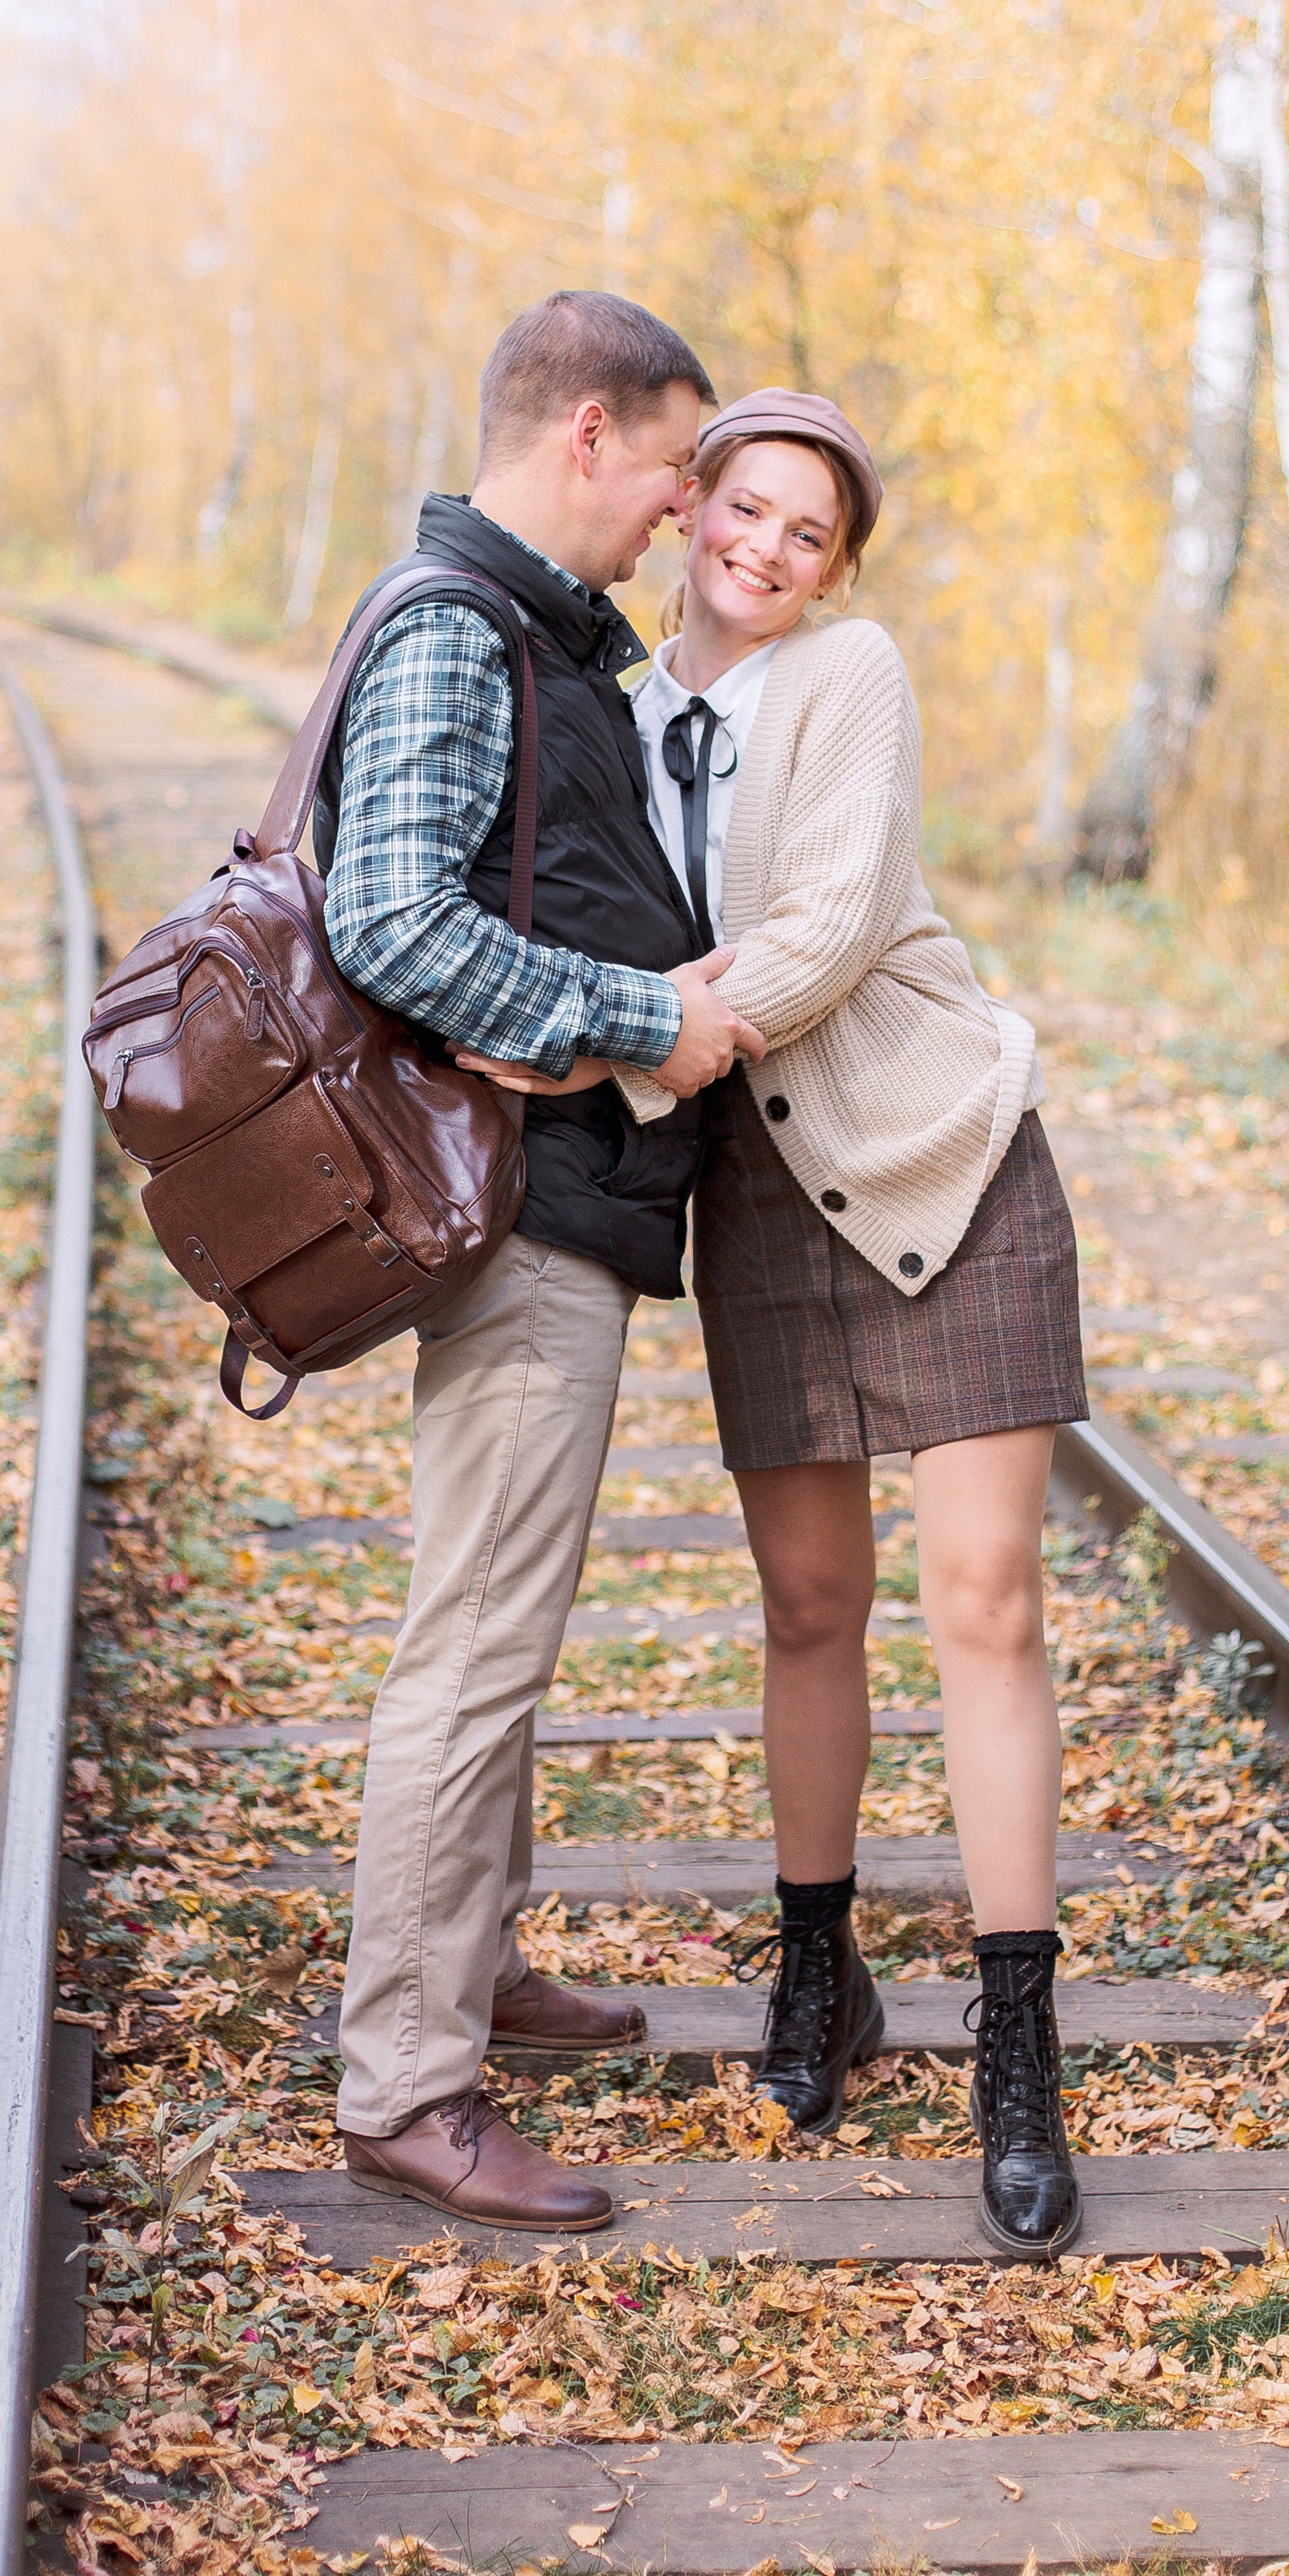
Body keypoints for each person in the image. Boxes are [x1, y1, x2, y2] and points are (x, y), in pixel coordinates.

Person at [456, 388, 1089, 2259]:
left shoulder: (851, 678)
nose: (762, 548)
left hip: (942, 1162)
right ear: (687, 509)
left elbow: (819, 932)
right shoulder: (619, 708)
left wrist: (607, 1044)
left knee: (987, 1603)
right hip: (758, 1200)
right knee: (807, 1603)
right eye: (739, 509)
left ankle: (1015, 2047)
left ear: (834, 565)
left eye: (804, 531)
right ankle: (818, 1973)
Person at [316, 292, 765, 2237]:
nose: (685, 509)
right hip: (510, 1200)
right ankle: (407, 2079)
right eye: (677, 465)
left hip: (555, 1182)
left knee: (501, 1621)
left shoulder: (528, 632)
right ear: (585, 433)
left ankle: (470, 1962)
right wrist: (630, 1018)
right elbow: (391, 919)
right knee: (476, 1644)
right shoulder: (454, 628)